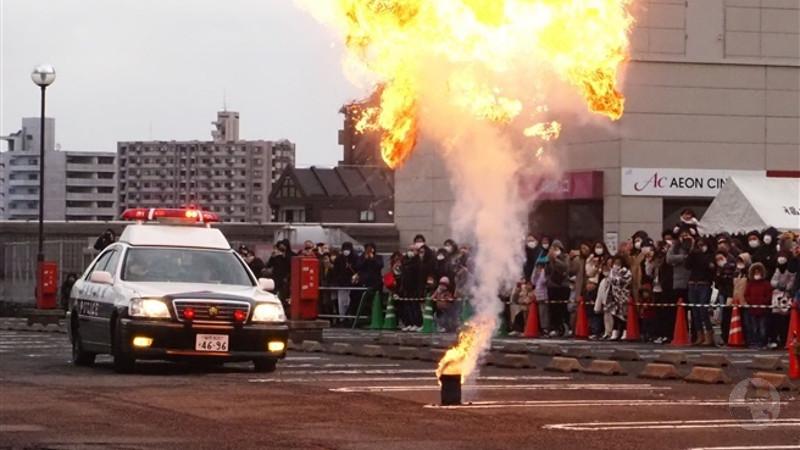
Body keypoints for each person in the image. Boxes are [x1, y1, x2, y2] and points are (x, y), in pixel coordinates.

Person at [687, 237, 716, 346]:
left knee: (703, 310)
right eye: (698, 245)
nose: (700, 247)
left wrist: (700, 255)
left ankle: (709, 334)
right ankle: (700, 336)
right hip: (693, 283)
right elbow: (687, 265)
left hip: (704, 284)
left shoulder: (711, 256)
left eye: (702, 245)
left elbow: (708, 266)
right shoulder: (693, 254)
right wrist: (692, 252)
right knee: (695, 311)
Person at [769, 250, 796, 348]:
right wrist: (777, 285)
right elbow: (772, 281)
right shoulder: (777, 270)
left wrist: (787, 287)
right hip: (776, 297)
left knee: (785, 320)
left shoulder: (791, 270)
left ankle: (784, 339)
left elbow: (792, 281)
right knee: (775, 319)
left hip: (786, 296)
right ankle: (774, 339)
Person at [744, 262, 772, 349]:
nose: (757, 274)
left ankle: (763, 342)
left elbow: (769, 295)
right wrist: (750, 302)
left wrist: (763, 302)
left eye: (758, 272)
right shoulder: (750, 284)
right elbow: (746, 295)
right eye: (755, 272)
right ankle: (755, 342)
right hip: (752, 310)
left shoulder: (766, 284)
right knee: (754, 327)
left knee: (762, 327)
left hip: (763, 310)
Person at [546, 240, 570, 337]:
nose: (555, 250)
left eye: (557, 248)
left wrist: (556, 260)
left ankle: (564, 327)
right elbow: (547, 271)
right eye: (553, 248)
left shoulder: (565, 257)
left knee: (562, 307)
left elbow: (565, 267)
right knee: (553, 308)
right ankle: (554, 327)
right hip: (552, 286)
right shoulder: (548, 258)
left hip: (563, 286)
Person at [330, 241, 358, 325]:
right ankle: (342, 319)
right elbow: (335, 272)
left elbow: (358, 269)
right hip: (341, 284)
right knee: (341, 303)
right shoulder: (339, 259)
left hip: (352, 284)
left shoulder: (355, 258)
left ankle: (350, 318)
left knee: (350, 302)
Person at [606, 255, 632, 340]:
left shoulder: (626, 271)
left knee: (623, 315)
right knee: (614, 314)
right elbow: (609, 280)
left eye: (618, 263)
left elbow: (626, 281)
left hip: (623, 295)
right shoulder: (612, 271)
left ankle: (625, 331)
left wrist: (616, 280)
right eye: (615, 262)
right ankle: (615, 332)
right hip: (613, 295)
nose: (616, 264)